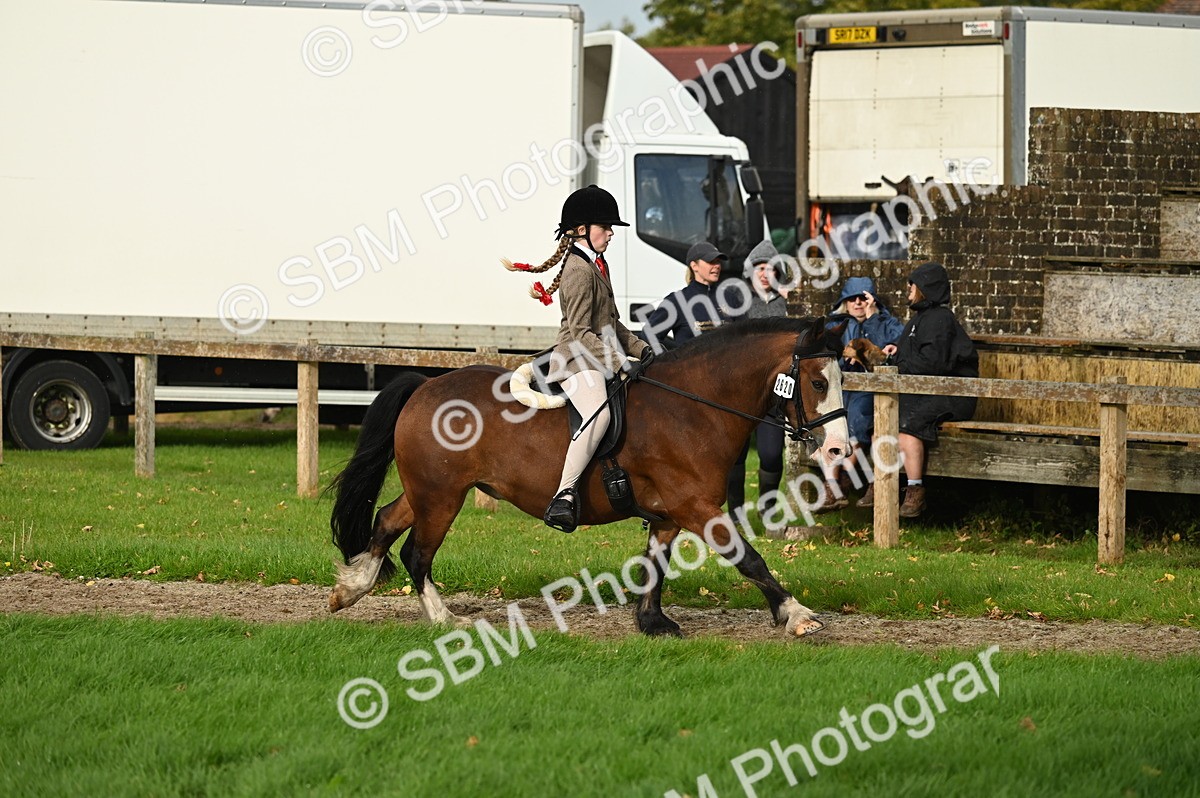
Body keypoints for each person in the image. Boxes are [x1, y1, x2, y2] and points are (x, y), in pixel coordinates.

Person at [503, 185, 653, 533]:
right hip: (575, 358)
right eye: (606, 227)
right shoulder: (577, 270)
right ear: (582, 229)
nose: (612, 234)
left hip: (597, 354)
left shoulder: (599, 265)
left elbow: (611, 323)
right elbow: (582, 332)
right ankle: (564, 496)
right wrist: (620, 363)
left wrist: (641, 348)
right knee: (599, 415)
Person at [893, 262, 978, 517]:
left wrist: (900, 363)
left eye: (913, 283)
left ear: (926, 288)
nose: (908, 288)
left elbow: (933, 364)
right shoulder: (917, 320)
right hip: (928, 391)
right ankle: (879, 483)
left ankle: (915, 492)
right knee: (882, 420)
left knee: (907, 423)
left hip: (953, 394)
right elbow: (906, 359)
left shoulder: (941, 319)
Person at [816, 276, 904, 512]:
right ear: (844, 302)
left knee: (857, 419)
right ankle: (833, 485)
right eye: (851, 298)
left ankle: (840, 480)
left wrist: (874, 317)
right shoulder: (835, 327)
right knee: (830, 426)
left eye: (862, 298)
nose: (857, 303)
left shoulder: (887, 323)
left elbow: (892, 353)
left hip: (873, 395)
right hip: (841, 392)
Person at [727, 240, 789, 526]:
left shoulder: (786, 302)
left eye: (770, 268)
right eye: (759, 268)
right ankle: (736, 514)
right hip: (741, 392)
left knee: (771, 454)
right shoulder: (737, 302)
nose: (764, 273)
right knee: (736, 455)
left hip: (775, 392)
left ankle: (767, 510)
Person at [638, 241, 733, 350]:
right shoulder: (677, 301)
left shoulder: (730, 299)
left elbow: (743, 336)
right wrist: (677, 354)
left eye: (718, 262)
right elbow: (648, 336)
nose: (717, 266)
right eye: (711, 261)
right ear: (694, 266)